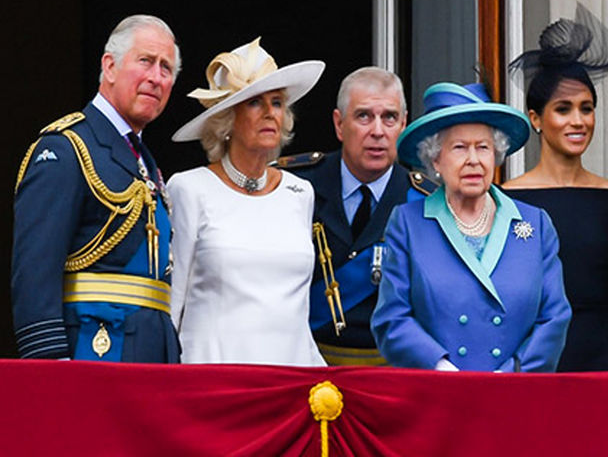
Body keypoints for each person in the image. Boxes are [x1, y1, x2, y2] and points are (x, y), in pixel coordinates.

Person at [12, 15, 180, 361]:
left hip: (152, 355)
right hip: (94, 351)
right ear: (110, 66)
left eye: (166, 68)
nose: (155, 77)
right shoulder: (67, 147)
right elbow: (35, 269)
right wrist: (50, 365)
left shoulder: (143, 158)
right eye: (145, 61)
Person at [371, 82, 571, 371]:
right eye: (460, 148)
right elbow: (391, 319)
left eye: (483, 148)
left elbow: (555, 317)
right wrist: (442, 368)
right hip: (438, 394)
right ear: (436, 159)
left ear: (496, 156)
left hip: (516, 394)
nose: (474, 160)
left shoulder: (535, 224)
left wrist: (513, 371)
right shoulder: (408, 224)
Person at [167, 38, 326, 365]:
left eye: (278, 102)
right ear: (226, 120)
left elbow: (296, 310)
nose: (270, 113)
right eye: (254, 103)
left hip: (290, 381)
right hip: (213, 380)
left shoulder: (300, 193)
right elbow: (172, 301)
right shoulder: (189, 188)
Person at [505, 4, 608, 371]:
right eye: (563, 109)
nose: (578, 121)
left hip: (604, 363)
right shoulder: (504, 200)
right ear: (536, 119)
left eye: (586, 108)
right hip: (530, 366)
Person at [284, 68, 431, 366]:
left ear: (403, 125)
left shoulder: (425, 203)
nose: (377, 131)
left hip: (392, 370)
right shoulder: (296, 186)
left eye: (389, 117)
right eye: (364, 116)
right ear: (339, 124)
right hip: (304, 364)